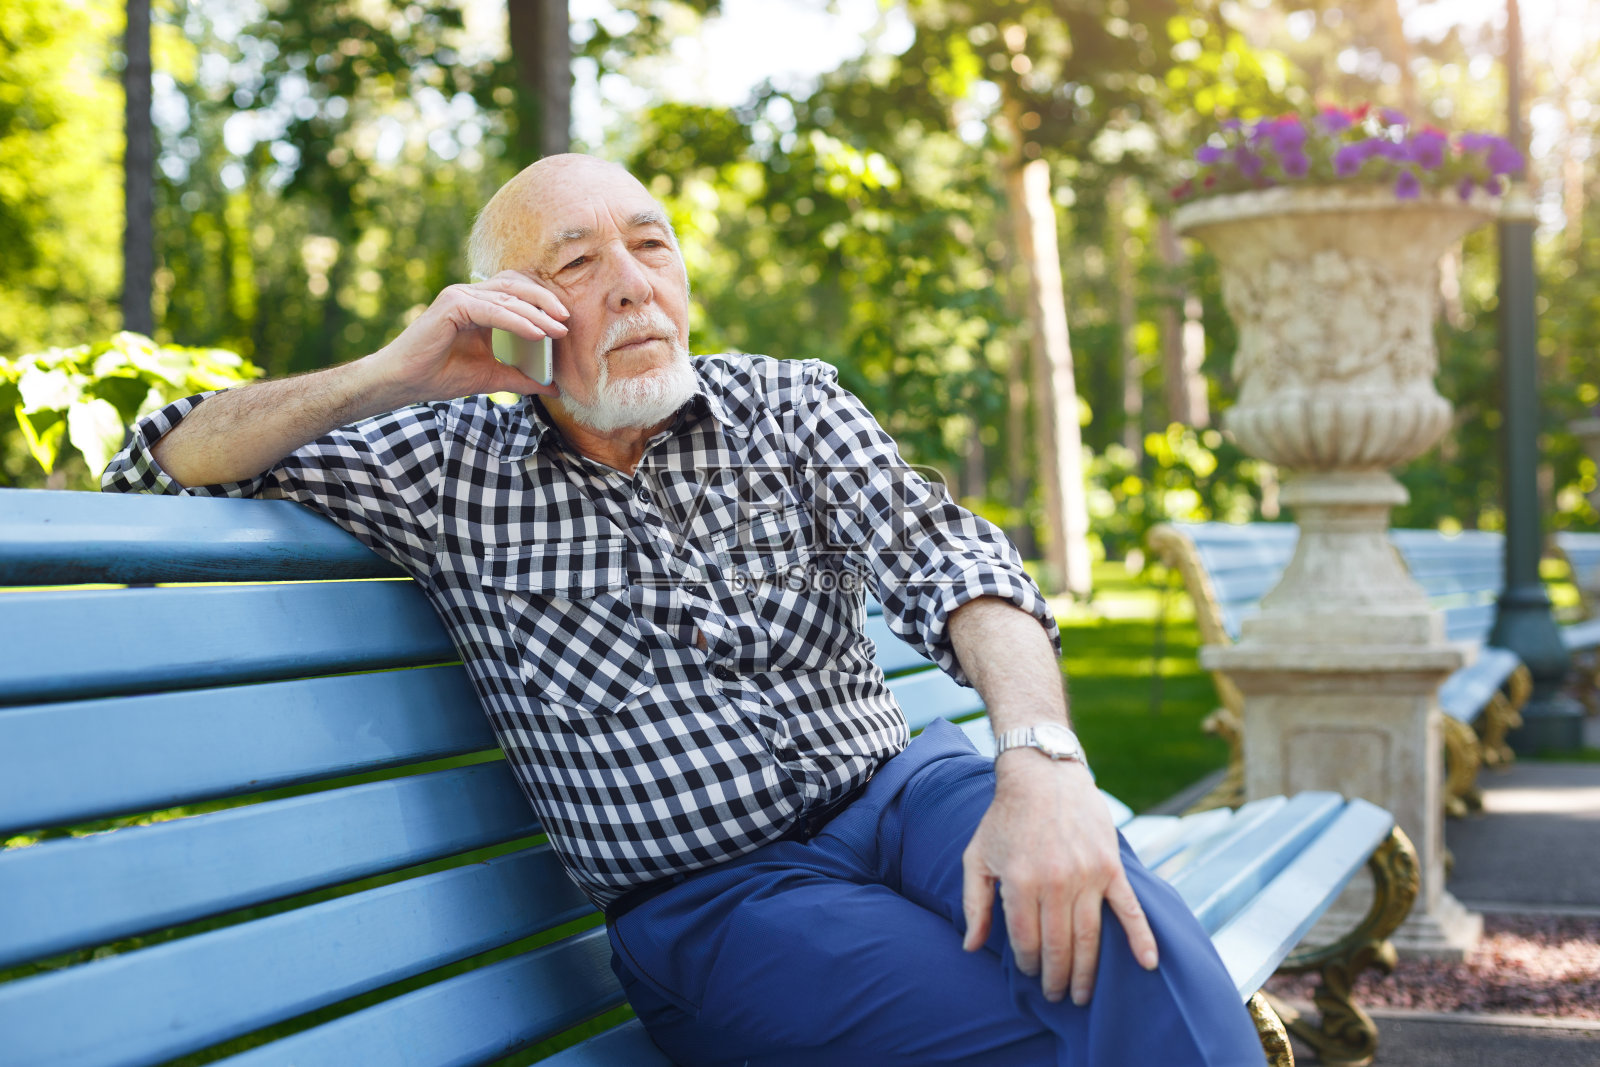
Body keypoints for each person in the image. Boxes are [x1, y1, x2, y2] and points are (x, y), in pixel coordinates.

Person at [103, 154, 1263, 1065]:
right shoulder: (443, 462)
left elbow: (945, 557)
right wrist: (387, 374)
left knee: (1138, 949)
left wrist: (1043, 763)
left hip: (906, 792)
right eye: (576, 263)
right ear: (511, 306)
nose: (630, 280)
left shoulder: (787, 403)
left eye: (650, 244)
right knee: (1027, 1017)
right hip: (719, 900)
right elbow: (154, 467)